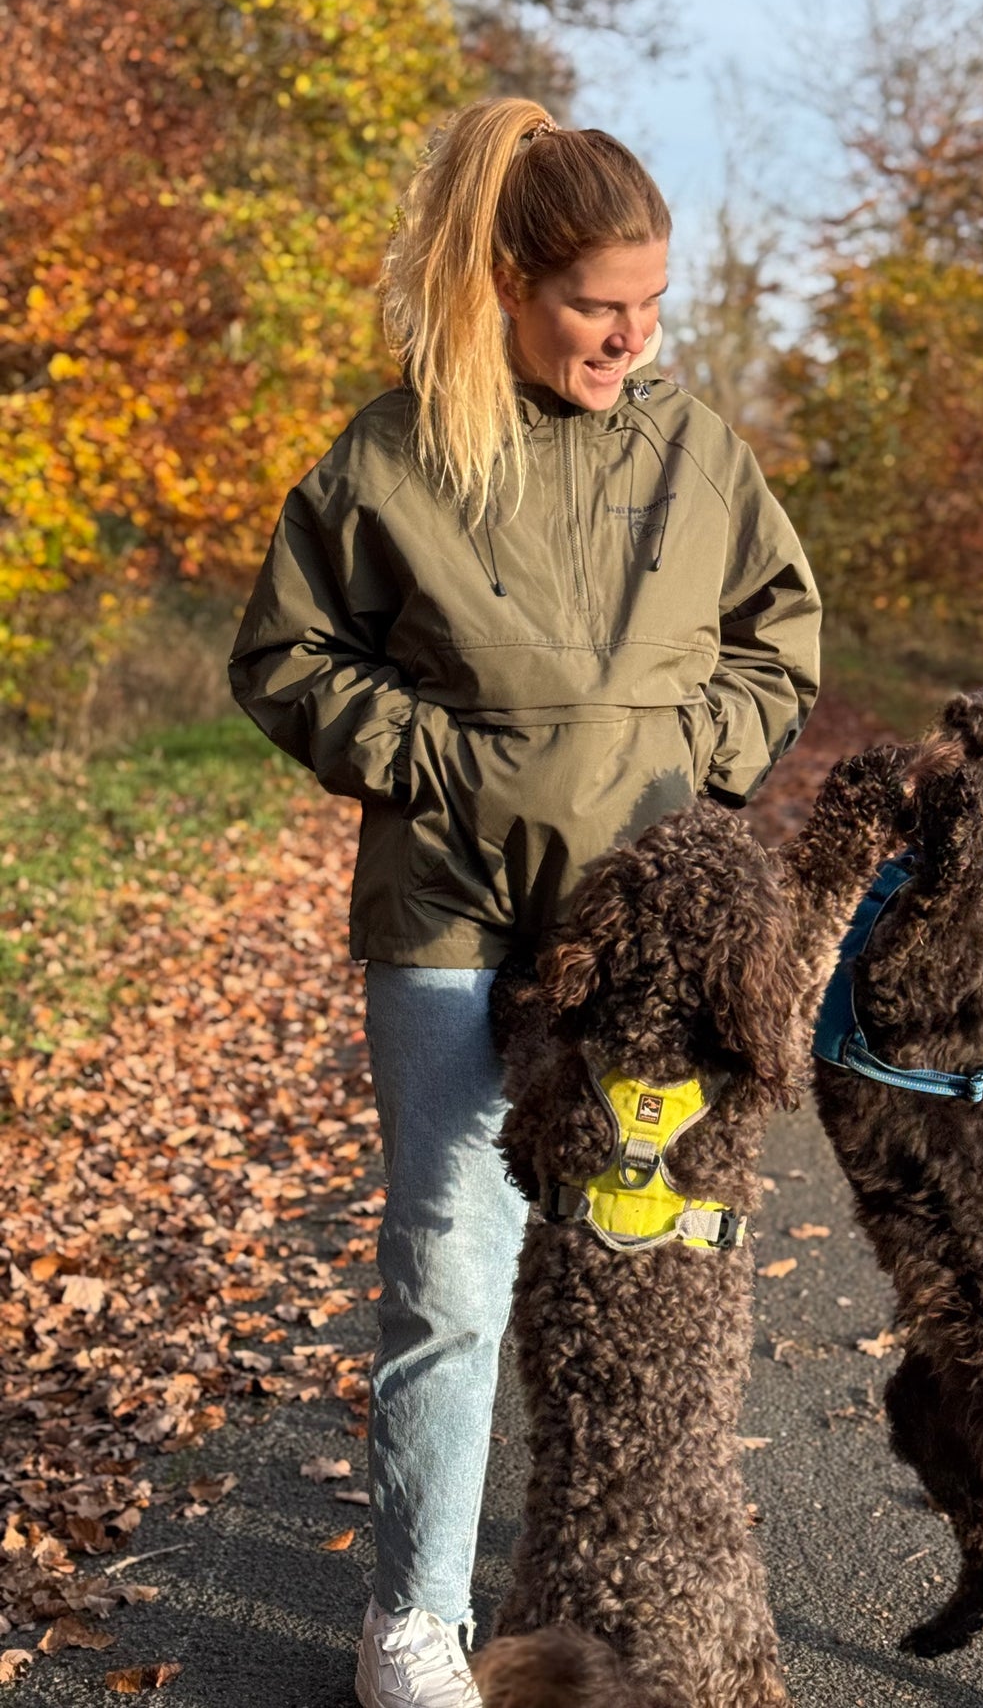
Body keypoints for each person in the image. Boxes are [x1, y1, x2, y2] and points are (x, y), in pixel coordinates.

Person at [227, 96, 821, 1708]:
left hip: (641, 954)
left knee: (638, 1268)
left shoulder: (698, 453)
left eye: (649, 306)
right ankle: (415, 1618)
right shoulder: (395, 447)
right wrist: (431, 754)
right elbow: (284, 657)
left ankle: (609, 1606)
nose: (628, 337)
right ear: (506, 280)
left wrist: (699, 753)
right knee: (450, 1264)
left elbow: (780, 635)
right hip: (447, 916)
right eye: (593, 307)